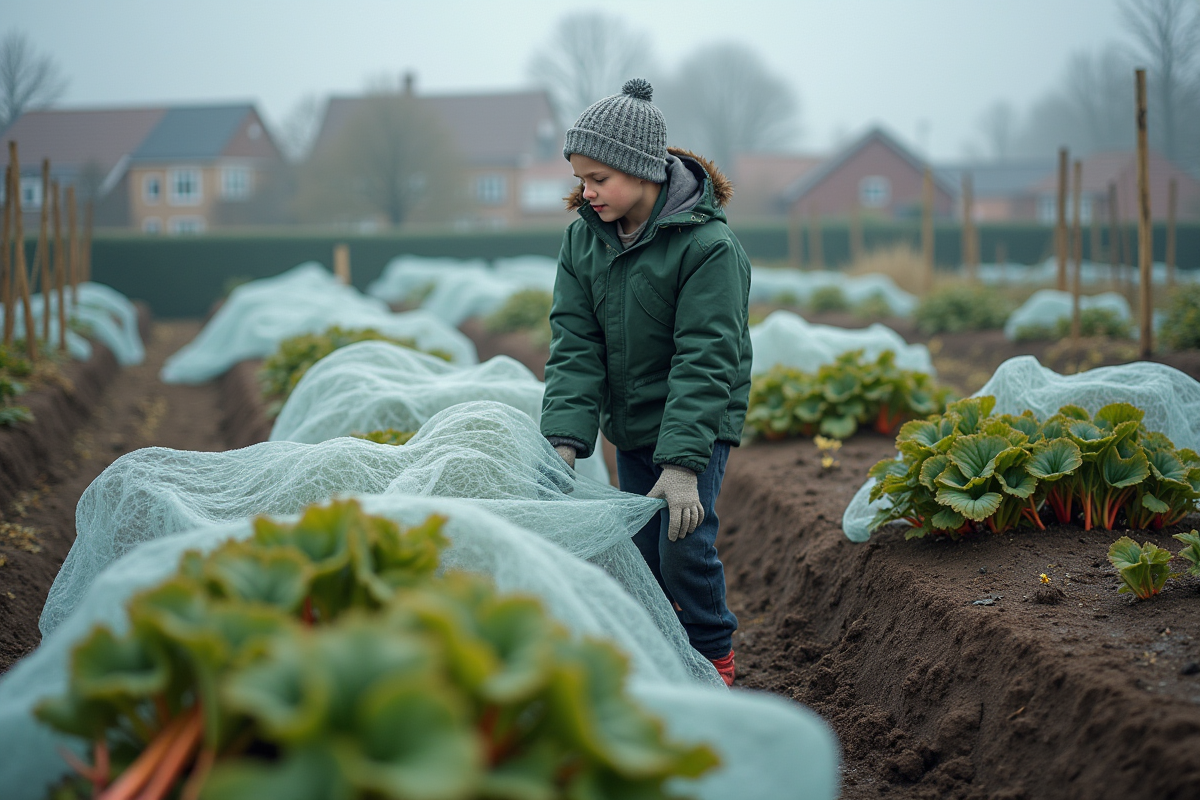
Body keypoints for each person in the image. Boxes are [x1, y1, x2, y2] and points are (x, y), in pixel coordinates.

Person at [540, 78, 752, 686]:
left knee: (682, 542)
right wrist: (565, 442)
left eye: (598, 179)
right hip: (630, 420)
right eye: (581, 178)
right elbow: (575, 343)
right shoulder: (583, 238)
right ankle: (662, 656)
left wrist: (684, 464)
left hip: (696, 420)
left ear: (642, 170)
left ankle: (713, 656)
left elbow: (707, 358)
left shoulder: (708, 247)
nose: (586, 192)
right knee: (640, 549)